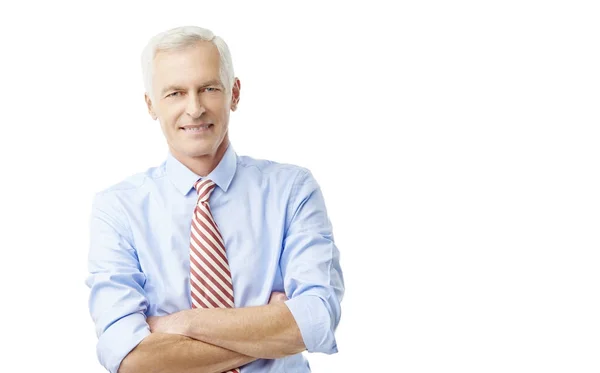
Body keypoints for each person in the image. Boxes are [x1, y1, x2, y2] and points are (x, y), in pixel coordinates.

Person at [85, 25, 345, 373]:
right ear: (151, 105)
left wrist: (185, 323)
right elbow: (132, 359)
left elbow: (316, 319)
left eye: (208, 88)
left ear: (234, 93)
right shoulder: (118, 209)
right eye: (175, 93)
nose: (194, 109)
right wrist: (269, 330)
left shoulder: (292, 191)